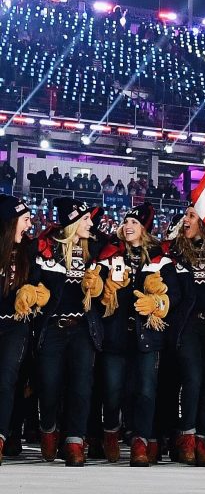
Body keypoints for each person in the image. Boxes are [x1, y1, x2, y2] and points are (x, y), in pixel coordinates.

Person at [95, 202, 178, 466]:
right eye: (126, 221)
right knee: (112, 391)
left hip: (148, 337)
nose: (128, 225)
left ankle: (140, 442)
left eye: (134, 222)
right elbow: (95, 294)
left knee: (145, 390)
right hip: (115, 335)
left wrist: (158, 303)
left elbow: (174, 294)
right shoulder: (109, 254)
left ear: (144, 229)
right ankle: (110, 430)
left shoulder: (160, 258)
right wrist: (104, 289)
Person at [34, 199, 107, 465]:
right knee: (49, 386)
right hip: (53, 328)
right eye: (86, 219)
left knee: (81, 387)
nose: (91, 223)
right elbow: (34, 281)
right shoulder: (46, 248)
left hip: (83, 329)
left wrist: (100, 288)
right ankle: (48, 429)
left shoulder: (95, 248)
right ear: (73, 223)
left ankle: (75, 441)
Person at [167, 204, 205, 465]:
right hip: (188, 325)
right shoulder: (176, 252)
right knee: (192, 380)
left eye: (191, 216)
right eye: (185, 215)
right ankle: (187, 438)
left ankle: (202, 440)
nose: (185, 220)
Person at [0, 195, 47, 464]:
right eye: (25, 219)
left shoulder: (30, 250)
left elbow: (41, 285)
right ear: (10, 221)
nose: (29, 225)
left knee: (7, 381)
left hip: (17, 324)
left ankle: (1, 437)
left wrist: (33, 291)